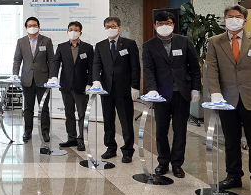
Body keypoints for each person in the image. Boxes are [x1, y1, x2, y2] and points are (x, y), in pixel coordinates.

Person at [206, 4, 251, 195]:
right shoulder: (215, 41)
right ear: (224, 20)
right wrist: (215, 93)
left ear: (244, 21)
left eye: (237, 17)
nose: (233, 19)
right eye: (229, 16)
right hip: (227, 99)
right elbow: (212, 69)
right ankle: (234, 176)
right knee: (230, 140)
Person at [142, 11, 201, 178]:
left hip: (181, 93)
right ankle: (163, 162)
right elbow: (148, 69)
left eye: (167, 23)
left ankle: (177, 164)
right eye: (160, 23)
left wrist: (195, 88)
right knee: (161, 130)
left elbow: (194, 67)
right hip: (160, 94)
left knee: (180, 130)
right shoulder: (149, 45)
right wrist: (152, 89)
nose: (164, 26)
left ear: (173, 25)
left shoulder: (184, 41)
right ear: (155, 26)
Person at [92, 16, 140, 163]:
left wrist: (135, 86)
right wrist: (96, 81)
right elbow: (96, 65)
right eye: (107, 26)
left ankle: (128, 150)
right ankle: (110, 148)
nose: (110, 29)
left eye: (113, 26)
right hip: (106, 89)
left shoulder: (129, 44)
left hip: (124, 89)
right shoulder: (100, 45)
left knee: (126, 121)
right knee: (108, 120)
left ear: (119, 28)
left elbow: (135, 66)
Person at [49, 21, 93, 151]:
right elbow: (55, 62)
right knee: (69, 114)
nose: (73, 32)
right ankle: (71, 138)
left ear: (80, 32)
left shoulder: (87, 48)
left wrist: (89, 83)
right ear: (67, 31)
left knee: (82, 114)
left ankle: (82, 140)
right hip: (66, 85)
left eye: (76, 30)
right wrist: (54, 77)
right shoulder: (62, 47)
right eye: (71, 29)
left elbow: (92, 67)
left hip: (81, 86)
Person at [12, 16, 54, 142]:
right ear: (26, 28)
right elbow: (17, 59)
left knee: (44, 108)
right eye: (29, 25)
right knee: (28, 108)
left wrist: (52, 77)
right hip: (27, 79)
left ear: (39, 27)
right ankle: (27, 131)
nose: (32, 27)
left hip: (43, 80)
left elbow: (51, 60)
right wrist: (15, 74)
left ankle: (45, 132)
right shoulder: (21, 42)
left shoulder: (46, 41)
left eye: (34, 25)